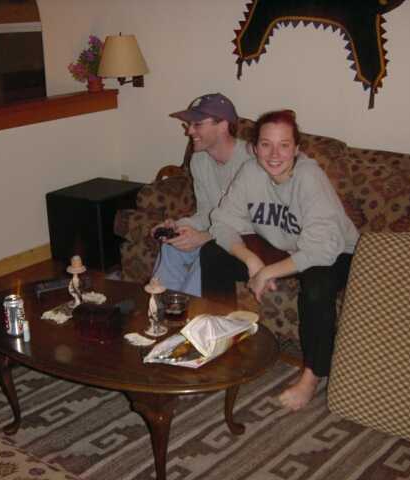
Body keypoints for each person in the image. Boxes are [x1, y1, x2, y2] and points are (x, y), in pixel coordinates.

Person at [200, 110, 359, 410]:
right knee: (213, 254)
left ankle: (312, 376)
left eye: (284, 145)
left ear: (296, 149)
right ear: (254, 147)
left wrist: (269, 271)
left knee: (317, 285)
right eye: (266, 144)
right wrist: (251, 261)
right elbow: (221, 223)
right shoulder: (250, 171)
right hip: (284, 247)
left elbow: (322, 249)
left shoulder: (309, 178)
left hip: (336, 253)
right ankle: (221, 340)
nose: (274, 154)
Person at [151, 93, 252, 296]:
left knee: (209, 254)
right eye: (189, 124)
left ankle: (193, 312)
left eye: (197, 124)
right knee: (172, 246)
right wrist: (179, 226)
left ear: (223, 125)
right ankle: (162, 307)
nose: (189, 131)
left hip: (247, 242)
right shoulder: (199, 160)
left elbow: (255, 224)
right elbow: (207, 212)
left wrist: (204, 237)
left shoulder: (251, 161)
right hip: (217, 233)